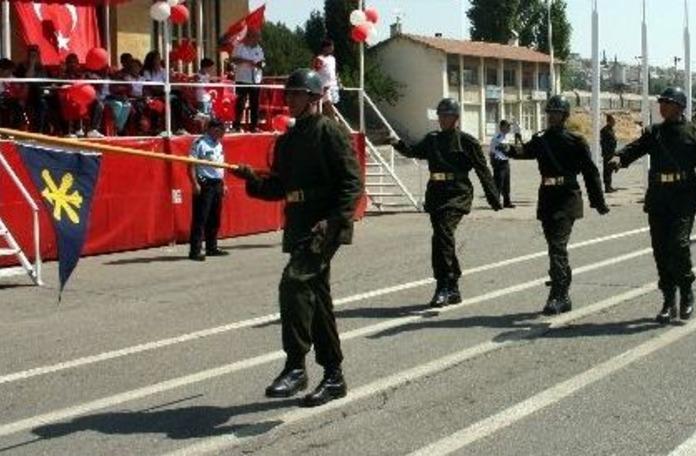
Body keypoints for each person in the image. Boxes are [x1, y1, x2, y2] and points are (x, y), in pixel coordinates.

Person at [231, 69, 363, 408]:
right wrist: (252, 179)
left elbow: (352, 182)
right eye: (288, 94)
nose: (290, 99)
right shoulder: (288, 140)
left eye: (297, 94)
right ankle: (334, 376)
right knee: (316, 300)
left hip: (324, 225)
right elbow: (280, 187)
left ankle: (295, 365)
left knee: (293, 283)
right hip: (300, 224)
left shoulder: (328, 131)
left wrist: (334, 221)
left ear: (315, 98)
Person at [612, 87, 696, 324]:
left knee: (678, 245)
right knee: (660, 250)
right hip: (659, 197)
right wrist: (620, 158)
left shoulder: (695, 132)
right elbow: (636, 148)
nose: (662, 107)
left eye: (667, 103)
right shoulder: (655, 132)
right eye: (661, 103)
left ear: (680, 106)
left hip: (684, 198)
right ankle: (668, 299)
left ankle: (686, 290)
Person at [391, 98, 502, 308]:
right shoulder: (432, 139)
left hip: (457, 193)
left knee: (442, 234)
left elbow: (482, 170)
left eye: (447, 116)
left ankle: (443, 285)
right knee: (442, 239)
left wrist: (494, 197)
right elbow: (414, 151)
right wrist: (397, 144)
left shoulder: (466, 141)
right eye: (440, 116)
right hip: (436, 194)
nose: (442, 120)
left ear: (456, 118)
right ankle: (453, 287)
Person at [508, 95, 608, 315]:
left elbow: (591, 173)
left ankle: (559, 295)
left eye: (556, 112)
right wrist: (509, 150)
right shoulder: (541, 139)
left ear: (564, 115)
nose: (551, 116)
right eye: (549, 112)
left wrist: (598, 202)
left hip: (567, 198)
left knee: (557, 246)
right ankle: (562, 281)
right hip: (547, 197)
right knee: (555, 247)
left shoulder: (576, 141)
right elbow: (526, 151)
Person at [188, 118, 228, 261]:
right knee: (200, 218)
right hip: (204, 183)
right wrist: (194, 183)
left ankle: (212, 247)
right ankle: (195, 250)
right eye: (220, 130)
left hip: (217, 183)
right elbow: (191, 164)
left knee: (214, 218)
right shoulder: (199, 143)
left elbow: (221, 165)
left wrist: (224, 183)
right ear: (212, 129)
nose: (223, 133)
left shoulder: (219, 144)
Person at [232, 31, 265, 132]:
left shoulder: (259, 48)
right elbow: (234, 60)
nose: (257, 40)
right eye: (255, 37)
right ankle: (237, 126)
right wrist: (247, 61)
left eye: (258, 38)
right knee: (240, 103)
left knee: (255, 104)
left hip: (256, 79)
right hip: (242, 79)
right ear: (249, 37)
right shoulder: (239, 47)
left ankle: (254, 126)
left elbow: (263, 62)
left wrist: (259, 64)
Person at [489, 119, 516, 208]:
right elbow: (492, 152)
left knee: (506, 184)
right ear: (501, 127)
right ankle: (496, 202)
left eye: (509, 126)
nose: (509, 128)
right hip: (499, 163)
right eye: (507, 126)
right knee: (498, 184)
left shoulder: (506, 137)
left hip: (505, 162)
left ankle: (507, 202)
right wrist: (493, 163)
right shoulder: (497, 137)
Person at [312, 39, 339, 109]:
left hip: (333, 85)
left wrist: (338, 80)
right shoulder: (320, 58)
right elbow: (315, 72)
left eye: (332, 46)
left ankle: (330, 118)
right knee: (328, 103)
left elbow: (334, 71)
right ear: (325, 47)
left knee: (331, 104)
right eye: (330, 46)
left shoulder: (333, 59)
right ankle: (335, 118)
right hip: (324, 86)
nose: (332, 48)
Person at [600, 113, 618, 193]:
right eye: (613, 121)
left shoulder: (611, 129)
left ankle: (609, 186)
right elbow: (603, 143)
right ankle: (607, 187)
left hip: (611, 153)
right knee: (607, 171)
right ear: (609, 121)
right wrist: (607, 152)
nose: (614, 122)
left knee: (610, 170)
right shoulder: (605, 130)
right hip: (607, 154)